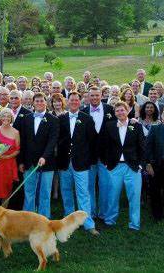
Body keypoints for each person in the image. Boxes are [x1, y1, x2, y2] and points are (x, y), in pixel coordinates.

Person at [57, 92, 99, 235]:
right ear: (67, 102)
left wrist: (90, 161)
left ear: (80, 102)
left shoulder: (87, 119)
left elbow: (93, 142)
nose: (74, 102)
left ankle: (88, 224)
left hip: (81, 162)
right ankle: (70, 221)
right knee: (66, 191)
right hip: (64, 162)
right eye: (72, 100)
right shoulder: (61, 118)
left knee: (83, 193)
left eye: (76, 100)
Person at [101, 101, 145, 230]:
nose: (120, 112)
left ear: (127, 111)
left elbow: (142, 146)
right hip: (115, 166)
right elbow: (104, 146)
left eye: (122, 110)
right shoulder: (109, 126)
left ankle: (134, 224)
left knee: (134, 196)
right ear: (115, 113)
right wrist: (105, 162)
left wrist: (141, 165)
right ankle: (110, 220)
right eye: (117, 111)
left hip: (133, 166)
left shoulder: (136, 126)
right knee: (112, 195)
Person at [17, 92, 59, 218]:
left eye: (42, 101)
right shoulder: (26, 118)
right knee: (29, 191)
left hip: (46, 163)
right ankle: (28, 218)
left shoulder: (53, 120)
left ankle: (43, 218)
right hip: (28, 162)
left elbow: (53, 141)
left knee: (44, 192)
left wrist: (44, 157)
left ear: (46, 102)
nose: (39, 103)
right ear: (33, 103)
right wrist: (21, 162)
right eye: (37, 101)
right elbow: (22, 142)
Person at [81, 86, 116, 221]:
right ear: (88, 97)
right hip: (88, 156)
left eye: (97, 95)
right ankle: (90, 213)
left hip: (105, 156)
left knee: (105, 185)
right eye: (92, 96)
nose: (94, 98)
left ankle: (104, 213)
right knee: (89, 186)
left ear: (101, 96)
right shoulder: (83, 112)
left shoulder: (110, 110)